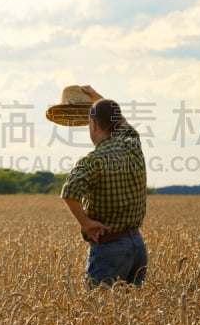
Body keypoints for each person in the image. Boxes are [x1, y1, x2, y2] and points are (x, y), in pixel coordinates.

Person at [61, 85, 149, 287]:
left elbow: (69, 192)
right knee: (131, 316)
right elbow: (121, 121)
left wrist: (85, 222)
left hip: (109, 249)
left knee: (98, 314)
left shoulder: (92, 160)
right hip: (137, 246)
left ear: (92, 125)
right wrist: (95, 97)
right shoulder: (132, 144)